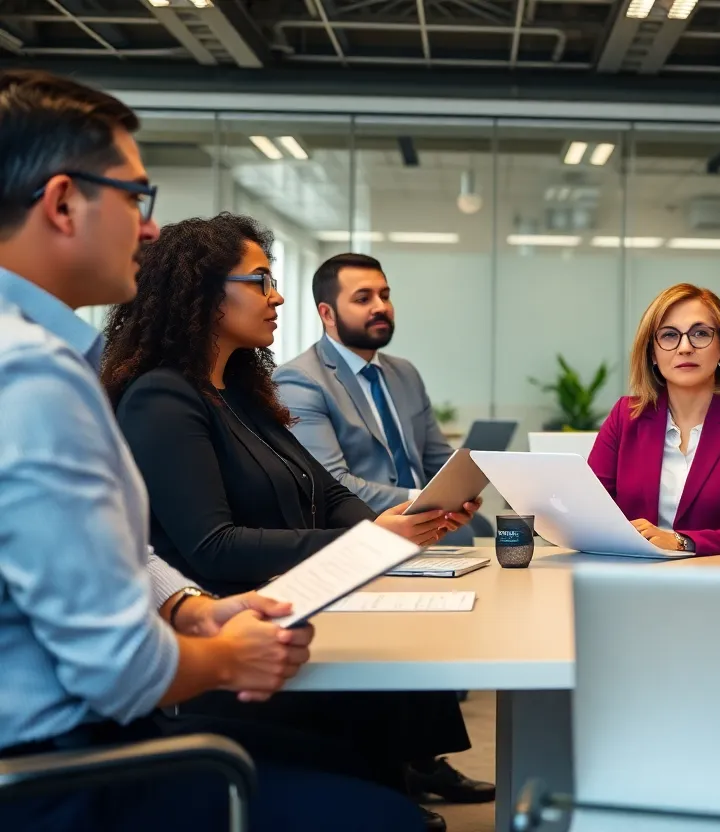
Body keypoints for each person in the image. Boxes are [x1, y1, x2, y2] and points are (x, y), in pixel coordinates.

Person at [0, 68, 423, 831]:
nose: (150, 227)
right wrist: (230, 656)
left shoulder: (46, 362)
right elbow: (120, 670)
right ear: (63, 202)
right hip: (62, 772)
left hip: (71, 738)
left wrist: (192, 608)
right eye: (135, 197)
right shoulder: (30, 377)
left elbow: (111, 550)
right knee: (382, 810)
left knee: (358, 757)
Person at [100, 214, 492, 832]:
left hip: (288, 622)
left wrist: (397, 525)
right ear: (203, 291)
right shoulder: (163, 398)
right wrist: (366, 542)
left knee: (387, 721)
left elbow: (329, 490)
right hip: (230, 647)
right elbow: (215, 548)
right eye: (260, 280)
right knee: (375, 762)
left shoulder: (238, 392)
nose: (278, 296)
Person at [275, 252, 481, 545]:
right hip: (364, 537)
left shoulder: (405, 373)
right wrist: (425, 500)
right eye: (363, 299)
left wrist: (461, 494)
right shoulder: (299, 380)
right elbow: (332, 484)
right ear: (327, 314)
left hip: (431, 529)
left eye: (385, 296)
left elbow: (438, 460)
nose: (381, 307)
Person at [588, 283, 720, 554]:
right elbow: (589, 512)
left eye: (700, 334)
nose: (685, 347)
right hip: (631, 576)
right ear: (653, 354)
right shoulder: (625, 416)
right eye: (669, 336)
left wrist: (681, 541)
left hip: (716, 582)